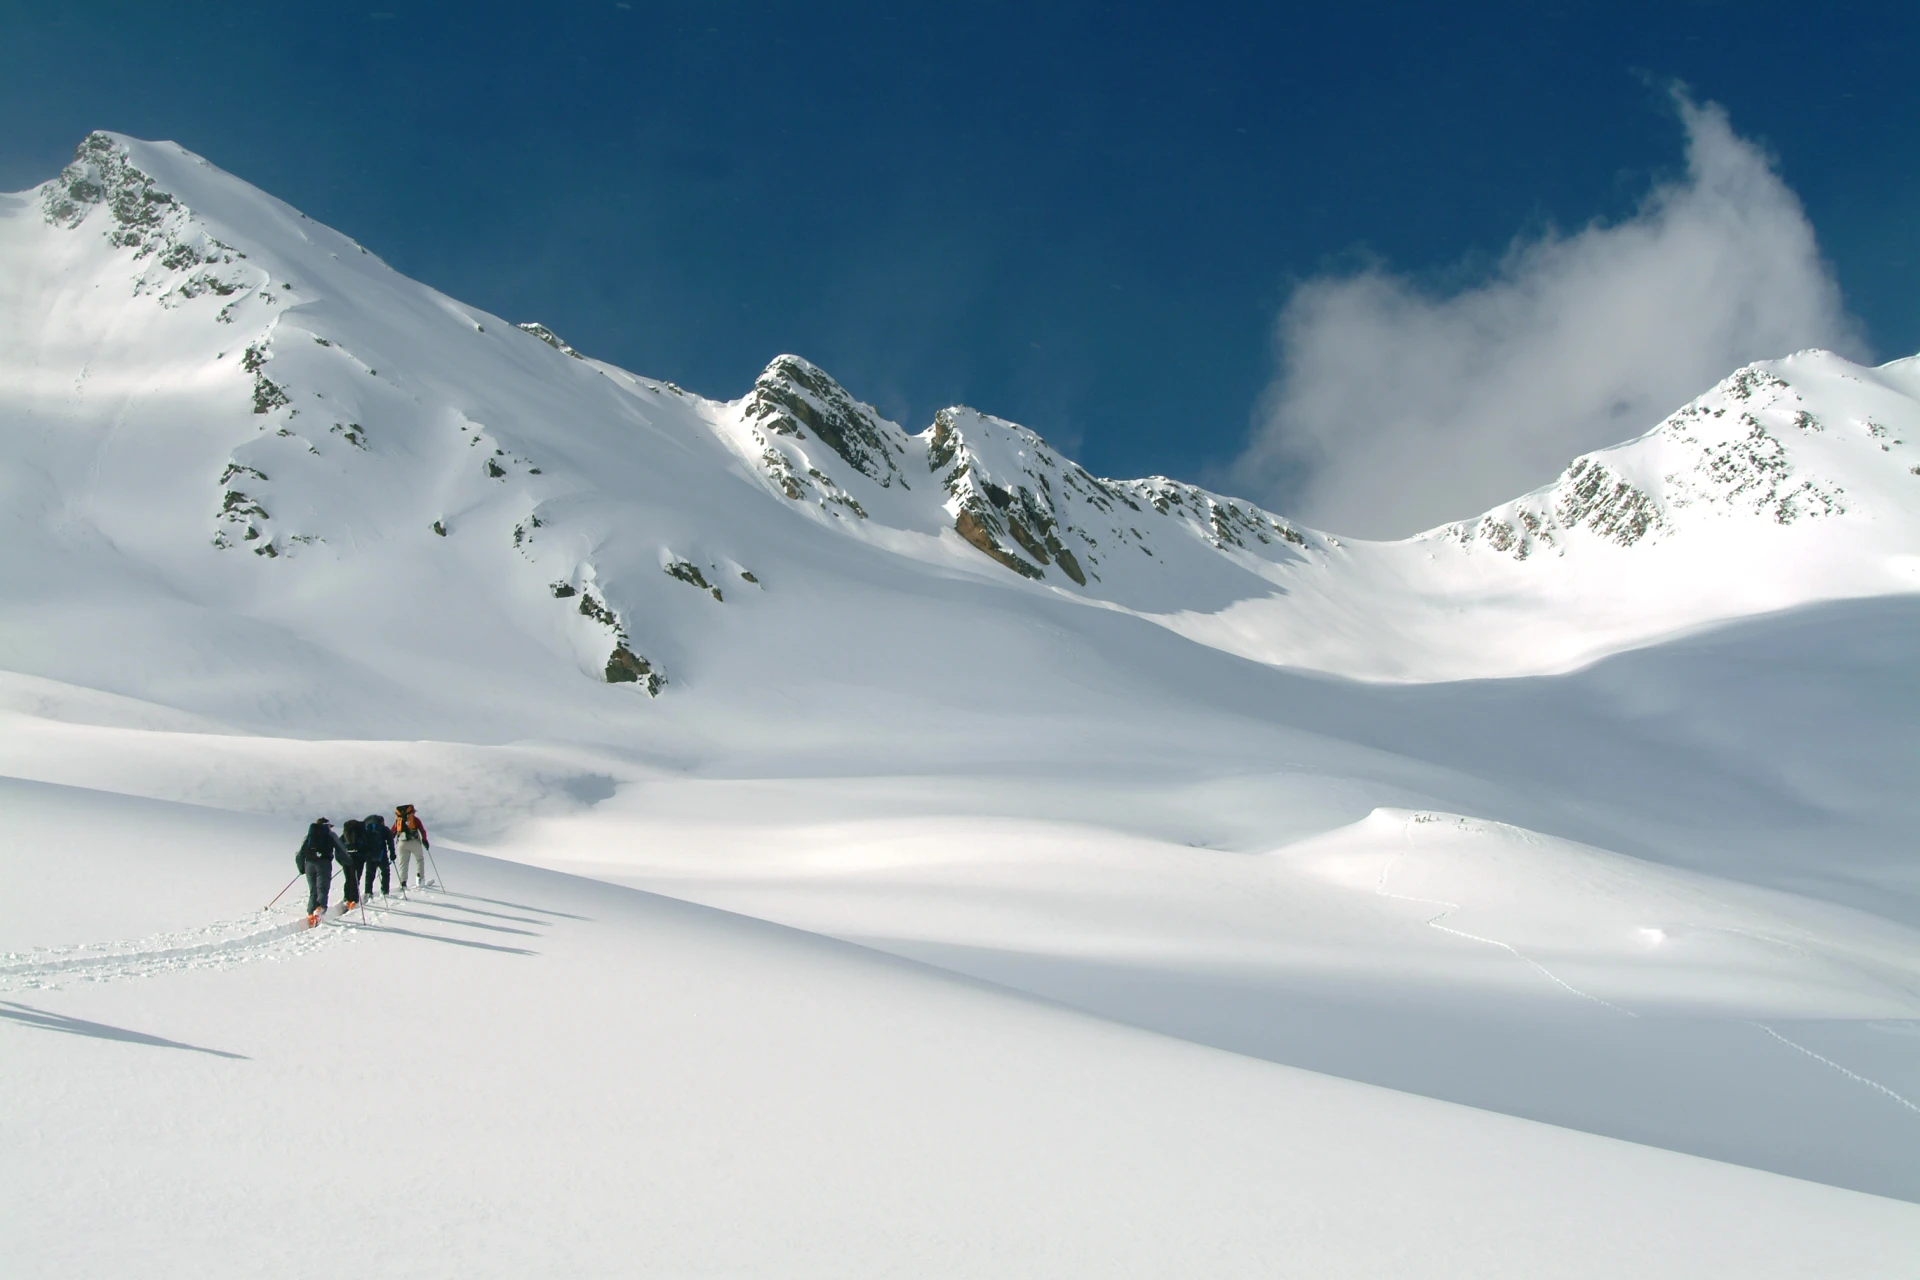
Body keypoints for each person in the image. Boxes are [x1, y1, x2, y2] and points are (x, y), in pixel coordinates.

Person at [294, 818, 345, 926]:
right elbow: (341, 849)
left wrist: (302, 869)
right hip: (324, 864)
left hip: (309, 865)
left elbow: (299, 854)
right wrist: (348, 863)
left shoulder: (309, 836)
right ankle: (319, 909)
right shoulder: (330, 835)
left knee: (313, 890)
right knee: (322, 888)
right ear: (327, 826)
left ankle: (310, 914)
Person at [394, 803, 431, 889]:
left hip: (401, 843)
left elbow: (393, 831)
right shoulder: (415, 820)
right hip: (414, 842)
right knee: (419, 860)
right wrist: (425, 841)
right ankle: (420, 879)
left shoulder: (398, 820)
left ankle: (403, 882)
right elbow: (422, 830)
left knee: (403, 863)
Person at [361, 812, 395, 899]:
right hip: (382, 855)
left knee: (369, 874)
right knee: (385, 873)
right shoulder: (384, 829)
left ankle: (368, 893)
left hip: (369, 856)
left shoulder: (366, 829)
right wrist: (392, 853)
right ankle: (385, 892)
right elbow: (390, 841)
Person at [337, 818, 367, 912]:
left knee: (348, 879)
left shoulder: (345, 835)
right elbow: (367, 846)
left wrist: (342, 861)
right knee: (355, 879)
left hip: (347, 859)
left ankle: (347, 899)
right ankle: (354, 900)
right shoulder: (362, 833)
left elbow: (339, 847)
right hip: (358, 859)